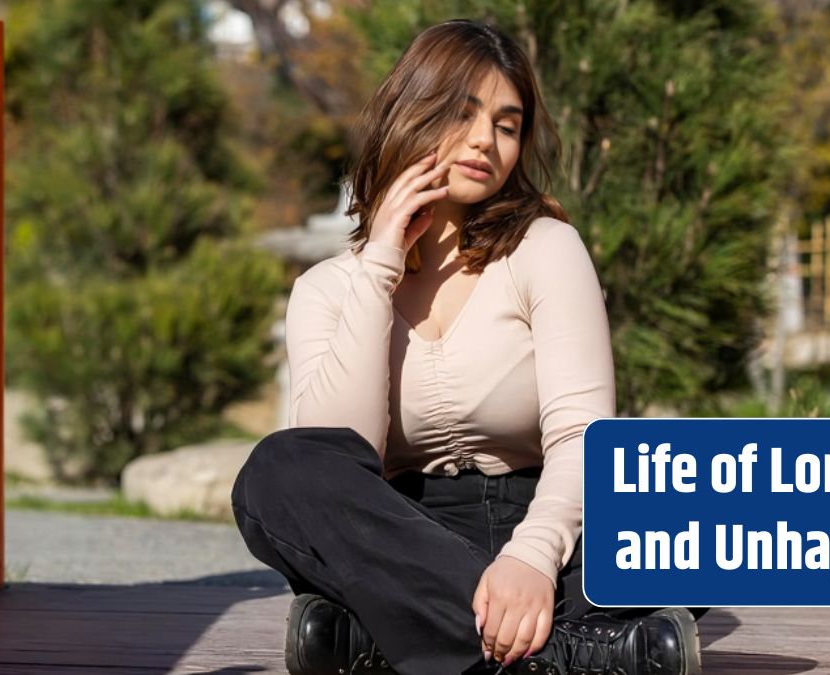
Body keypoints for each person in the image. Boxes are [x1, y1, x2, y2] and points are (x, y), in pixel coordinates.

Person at [231, 18, 703, 675]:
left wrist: (531, 557)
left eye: (507, 124)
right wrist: (380, 271)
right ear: (410, 111)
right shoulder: (328, 290)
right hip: (407, 536)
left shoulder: (545, 248)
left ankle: (389, 635)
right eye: (462, 112)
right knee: (275, 472)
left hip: (559, 531)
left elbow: (582, 436)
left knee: (709, 498)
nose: (486, 139)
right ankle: (564, 654)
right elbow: (340, 454)